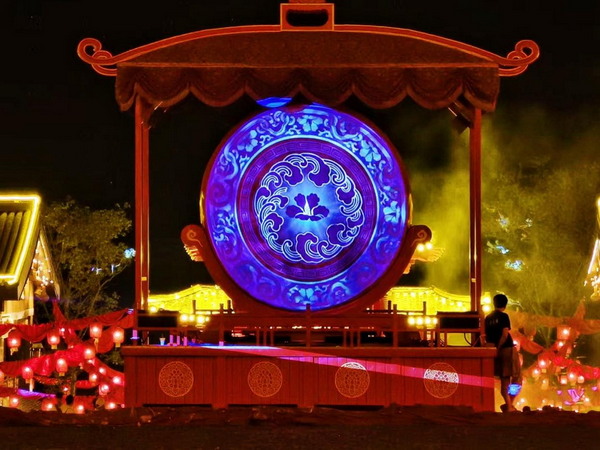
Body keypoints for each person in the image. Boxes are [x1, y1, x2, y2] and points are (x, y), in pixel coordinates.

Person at [484, 293, 518, 412]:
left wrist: (494, 349)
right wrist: (499, 347)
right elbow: (504, 334)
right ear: (505, 304)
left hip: (493, 350)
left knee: (504, 378)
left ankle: (508, 405)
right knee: (513, 378)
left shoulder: (488, 318)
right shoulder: (504, 316)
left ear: (494, 304)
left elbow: (486, 336)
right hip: (506, 349)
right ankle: (509, 405)